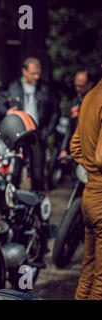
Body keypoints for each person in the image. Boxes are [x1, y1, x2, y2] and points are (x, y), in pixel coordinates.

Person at [0, 57, 60, 192]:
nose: (36, 77)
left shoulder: (44, 89)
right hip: (17, 135)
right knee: (15, 172)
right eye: (33, 74)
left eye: (38, 73)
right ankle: (12, 203)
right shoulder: (12, 88)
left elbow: (55, 111)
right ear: (24, 71)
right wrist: (6, 111)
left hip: (37, 134)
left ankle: (37, 206)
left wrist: (48, 131)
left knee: (38, 173)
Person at [70, 75, 102, 300]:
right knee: (101, 280)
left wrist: (90, 168)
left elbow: (75, 146)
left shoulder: (90, 96)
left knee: (89, 269)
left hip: (90, 191)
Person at [59, 70, 94, 160]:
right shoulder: (76, 102)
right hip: (77, 150)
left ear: (90, 84)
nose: (78, 89)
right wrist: (64, 149)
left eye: (81, 86)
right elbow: (70, 127)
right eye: (76, 85)